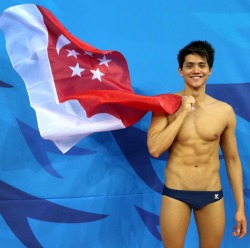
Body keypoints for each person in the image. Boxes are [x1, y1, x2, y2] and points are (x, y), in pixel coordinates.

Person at [147, 40, 247, 248]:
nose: (196, 70)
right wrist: (182, 112)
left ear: (210, 70)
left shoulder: (224, 111)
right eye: (189, 65)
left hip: (211, 194)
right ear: (180, 71)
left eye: (202, 65)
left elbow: (232, 159)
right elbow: (155, 149)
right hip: (176, 192)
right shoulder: (164, 105)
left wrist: (240, 207)